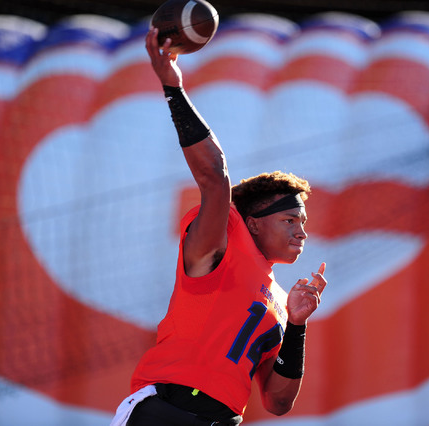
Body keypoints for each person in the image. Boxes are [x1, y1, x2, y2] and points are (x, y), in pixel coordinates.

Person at [110, 28, 327, 426]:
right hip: (166, 411)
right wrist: (173, 87)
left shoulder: (278, 300)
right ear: (254, 224)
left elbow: (278, 402)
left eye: (304, 223)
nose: (302, 231)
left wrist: (297, 326)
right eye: (290, 219)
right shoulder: (221, 247)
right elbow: (214, 176)